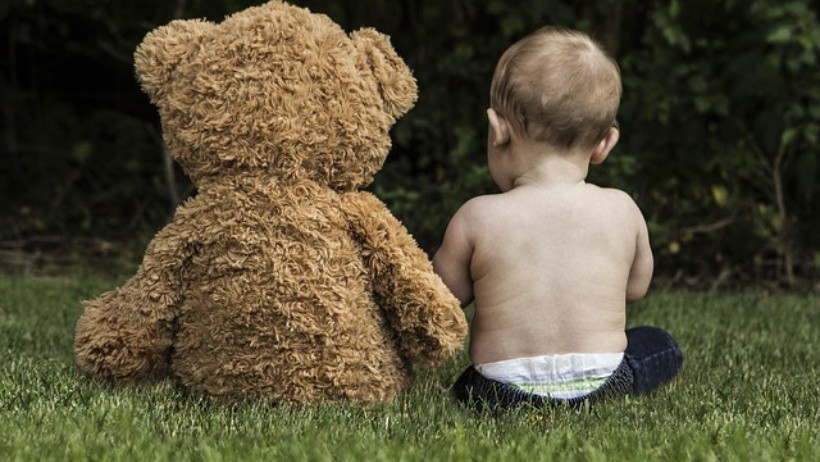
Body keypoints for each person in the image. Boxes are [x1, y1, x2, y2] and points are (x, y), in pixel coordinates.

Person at [432, 26, 682, 412]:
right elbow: (636, 288)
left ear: (498, 131)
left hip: (500, 391)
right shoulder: (622, 209)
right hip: (603, 384)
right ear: (605, 144)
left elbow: (441, 299)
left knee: (469, 385)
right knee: (660, 344)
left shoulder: (476, 216)